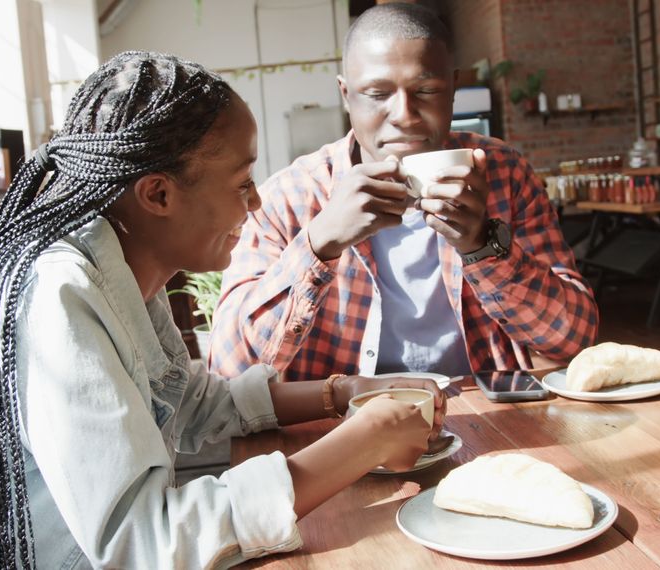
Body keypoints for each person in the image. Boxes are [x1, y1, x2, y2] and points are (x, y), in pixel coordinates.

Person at [0, 51, 444, 569]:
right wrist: (363, 440)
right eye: (243, 181)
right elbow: (140, 540)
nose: (256, 202)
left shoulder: (121, 266)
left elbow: (191, 404)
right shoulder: (59, 295)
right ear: (158, 194)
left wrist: (343, 393)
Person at [210, 4, 598, 382]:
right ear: (346, 95)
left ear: (453, 91)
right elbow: (232, 374)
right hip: (343, 430)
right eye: (377, 94)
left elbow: (573, 339)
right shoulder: (290, 197)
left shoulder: (502, 174)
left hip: (488, 416)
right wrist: (320, 244)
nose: (405, 115)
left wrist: (482, 246)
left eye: (426, 90)